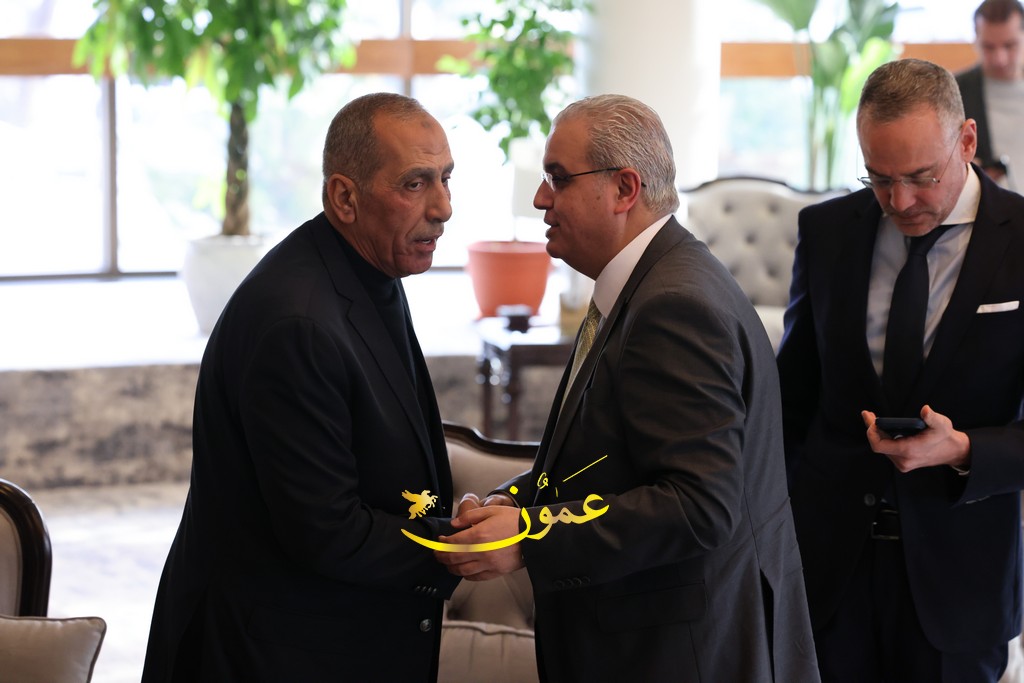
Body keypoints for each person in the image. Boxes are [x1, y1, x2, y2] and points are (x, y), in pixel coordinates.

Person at [435, 94, 819, 683]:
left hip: (674, 655)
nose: (540, 198)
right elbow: (605, 463)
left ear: (624, 189)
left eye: (558, 178)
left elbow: (698, 505)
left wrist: (532, 536)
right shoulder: (651, 282)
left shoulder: (674, 306)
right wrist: (514, 503)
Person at [141, 92, 460, 682]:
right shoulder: (299, 323)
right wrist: (459, 547)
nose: (443, 207)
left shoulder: (364, 267)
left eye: (445, 178)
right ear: (344, 197)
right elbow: (328, 533)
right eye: (415, 184)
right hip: (269, 654)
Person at [779, 57, 1024, 682]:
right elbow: (791, 400)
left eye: (920, 177)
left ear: (966, 141)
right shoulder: (827, 230)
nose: (901, 201)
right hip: (828, 573)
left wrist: (964, 449)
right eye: (879, 179)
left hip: (960, 579)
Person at [956, 0, 1024, 184]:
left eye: (1010, 45)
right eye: (989, 47)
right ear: (975, 40)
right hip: (988, 199)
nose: (1000, 59)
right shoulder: (954, 92)